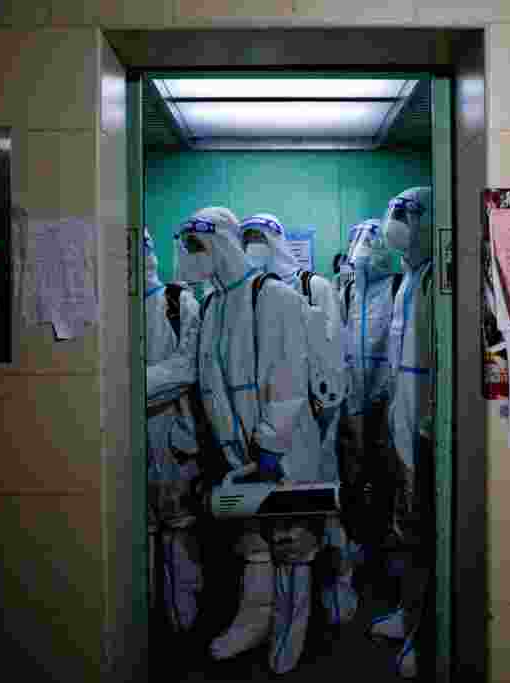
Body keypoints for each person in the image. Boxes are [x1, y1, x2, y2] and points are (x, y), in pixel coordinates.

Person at [173, 207, 324, 674]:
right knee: (253, 540)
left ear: (220, 243)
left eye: (196, 248)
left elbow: (288, 376)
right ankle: (255, 620)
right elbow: (210, 381)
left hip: (284, 449)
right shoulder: (216, 303)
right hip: (239, 451)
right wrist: (227, 446)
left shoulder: (273, 296)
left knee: (291, 542)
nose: (189, 259)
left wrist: (271, 444)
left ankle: (289, 632)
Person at [239, 212, 358, 628]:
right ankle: (284, 611)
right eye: (245, 238)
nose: (252, 247)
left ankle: (340, 583)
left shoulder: (312, 286)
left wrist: (323, 420)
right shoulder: (247, 296)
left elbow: (330, 357)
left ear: (276, 242)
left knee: (325, 506)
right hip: (271, 422)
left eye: (259, 238)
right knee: (280, 520)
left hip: (312, 419)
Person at [367, 187, 436, 679]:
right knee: (406, 524)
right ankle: (410, 613)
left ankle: (427, 631)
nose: (397, 223)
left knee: (428, 531)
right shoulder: (409, 279)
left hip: (425, 421)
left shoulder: (436, 278)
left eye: (407, 214)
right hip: (401, 413)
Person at [143, 229, 204, 635]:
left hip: (172, 431)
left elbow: (187, 369)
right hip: (125, 435)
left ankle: (183, 619)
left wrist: (126, 386)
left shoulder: (178, 302)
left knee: (179, 528)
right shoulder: (108, 307)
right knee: (137, 528)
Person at [339, 218, 405, 556]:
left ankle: (382, 548)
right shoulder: (349, 291)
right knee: (353, 473)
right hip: (353, 398)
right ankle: (357, 545)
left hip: (385, 399)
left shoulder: (397, 286)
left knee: (384, 474)